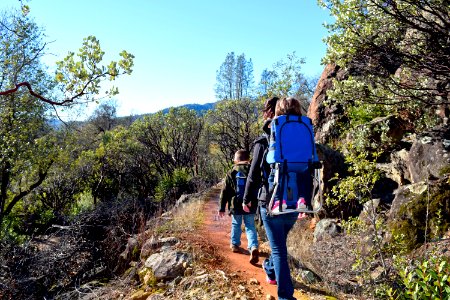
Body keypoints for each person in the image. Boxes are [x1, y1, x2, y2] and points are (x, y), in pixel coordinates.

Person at [243, 96, 306, 300]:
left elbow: (253, 174)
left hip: (271, 202)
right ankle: (270, 269)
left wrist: (246, 199)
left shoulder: (264, 141)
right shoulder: (304, 136)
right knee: (279, 243)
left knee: (278, 248)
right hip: (295, 202)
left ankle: (285, 296)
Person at [218, 149, 259, 264]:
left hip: (235, 205)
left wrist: (222, 207)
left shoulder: (231, 172)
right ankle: (253, 246)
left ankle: (235, 244)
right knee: (250, 226)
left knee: (236, 224)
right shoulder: (253, 170)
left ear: (236, 160)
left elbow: (225, 191)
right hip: (250, 204)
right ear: (248, 159)